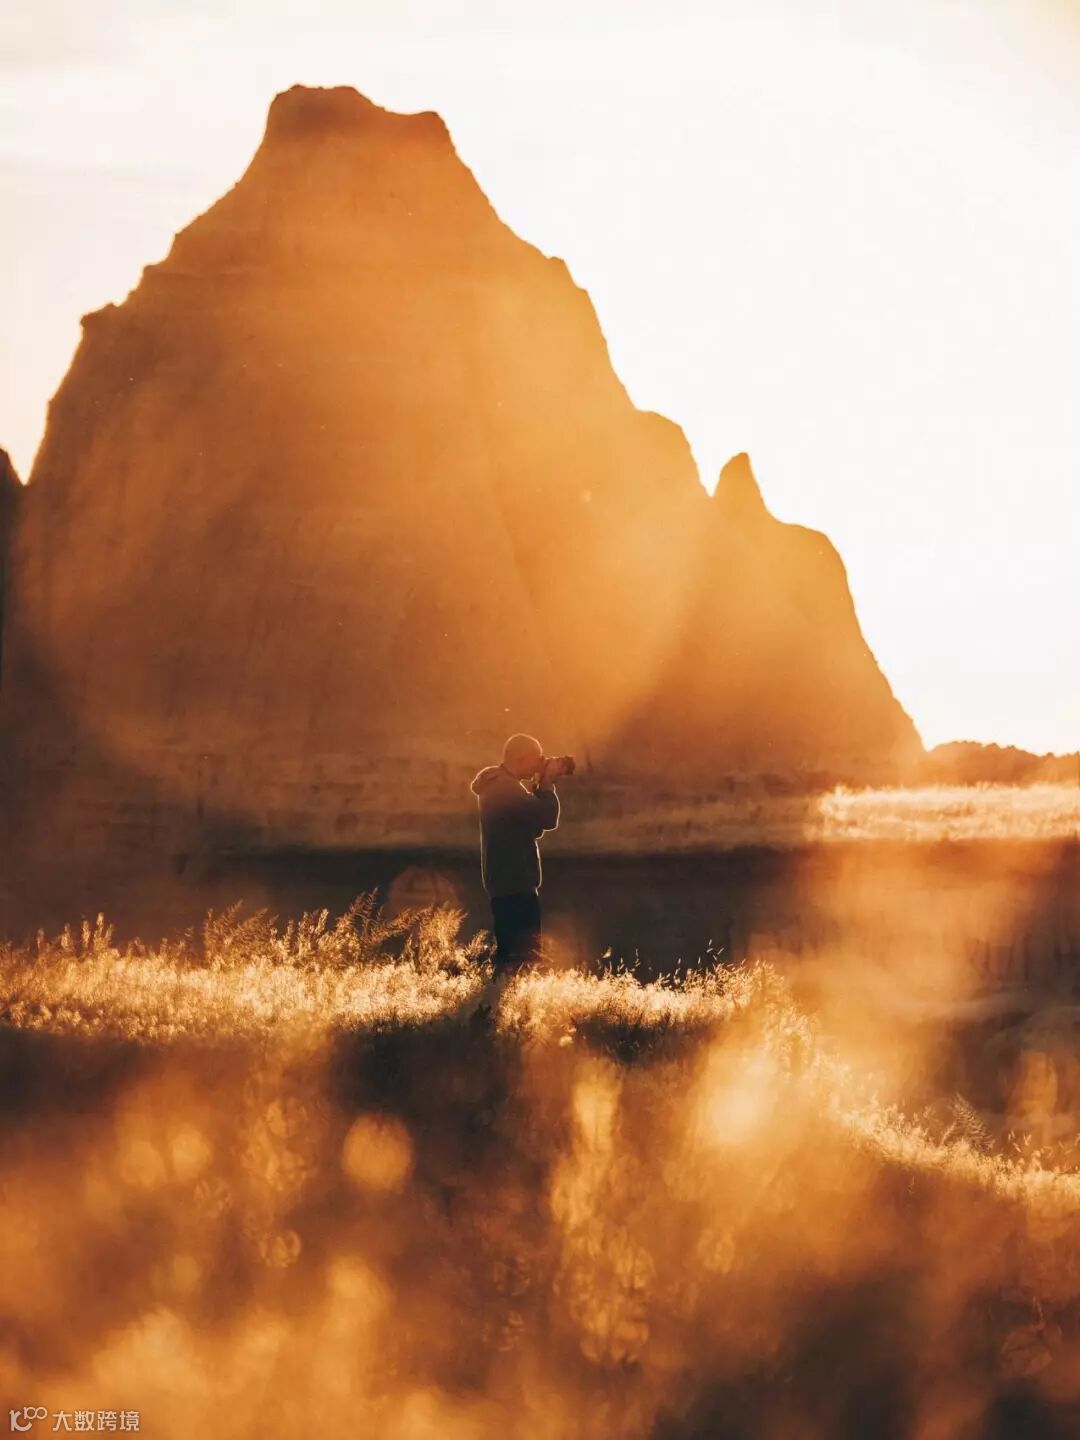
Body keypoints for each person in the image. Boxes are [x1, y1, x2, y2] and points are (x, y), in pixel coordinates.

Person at [470, 733, 567, 976]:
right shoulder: (506, 788)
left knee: (512, 954)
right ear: (522, 758)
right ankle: (505, 995)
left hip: (505, 879)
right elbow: (547, 818)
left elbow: (532, 827)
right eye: (538, 758)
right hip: (515, 881)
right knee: (524, 956)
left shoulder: (499, 785)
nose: (540, 764)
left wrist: (538, 787)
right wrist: (547, 784)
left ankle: (498, 994)